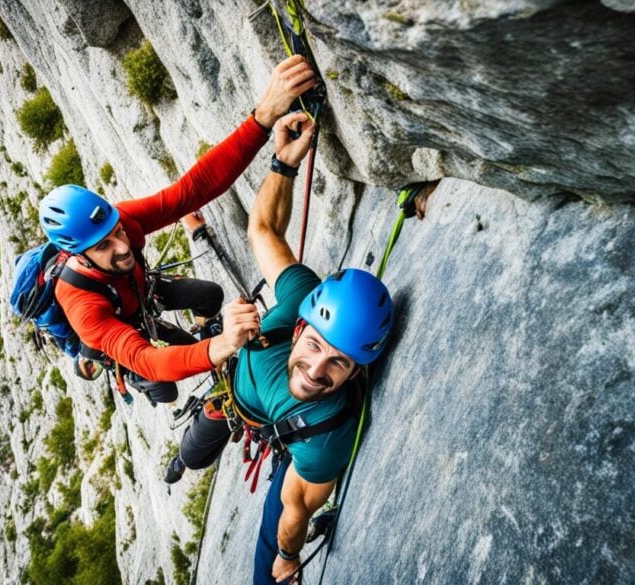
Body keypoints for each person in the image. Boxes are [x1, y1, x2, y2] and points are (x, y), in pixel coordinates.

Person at [165, 108, 395, 584]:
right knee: (194, 449)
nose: (316, 369)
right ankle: (183, 462)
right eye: (314, 346)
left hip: (281, 433)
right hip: (230, 399)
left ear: (356, 371)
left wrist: (288, 557)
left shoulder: (323, 437)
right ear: (298, 327)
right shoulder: (297, 299)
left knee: (268, 564)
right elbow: (263, 231)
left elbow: (296, 511)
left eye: (338, 362)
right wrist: (284, 163)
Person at [38, 55, 318, 404]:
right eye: (103, 247)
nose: (121, 246)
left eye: (117, 233)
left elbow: (193, 190)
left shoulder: (119, 221)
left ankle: (202, 336)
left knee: (210, 296)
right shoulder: (83, 305)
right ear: (78, 254)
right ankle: (100, 363)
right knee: (165, 388)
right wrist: (223, 345)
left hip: (141, 290)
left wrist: (263, 116)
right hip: (120, 323)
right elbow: (147, 360)